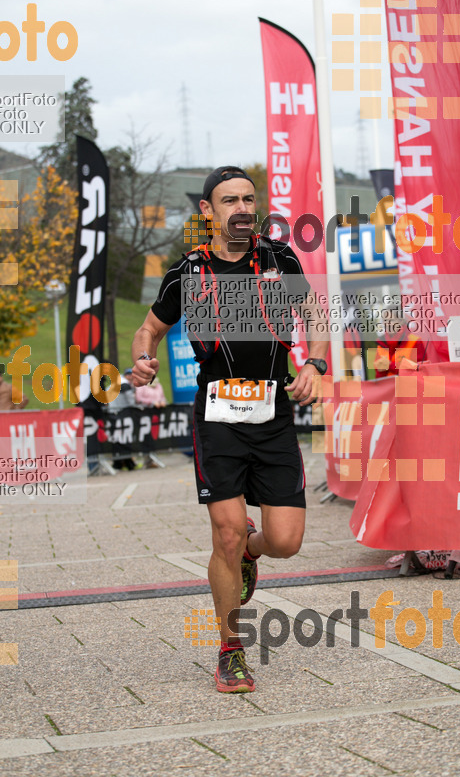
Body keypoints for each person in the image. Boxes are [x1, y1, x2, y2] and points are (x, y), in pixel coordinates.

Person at [132, 165, 328, 693]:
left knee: (285, 541)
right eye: (229, 200)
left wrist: (314, 365)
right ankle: (230, 649)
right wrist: (143, 359)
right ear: (208, 212)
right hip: (217, 416)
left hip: (273, 412)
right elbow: (149, 328)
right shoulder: (188, 273)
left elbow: (314, 310)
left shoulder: (279, 257)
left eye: (248, 198)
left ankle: (252, 553)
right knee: (226, 530)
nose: (242, 208)